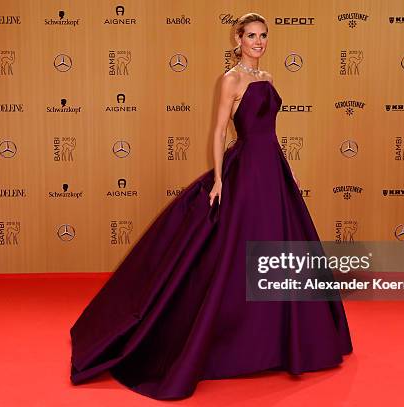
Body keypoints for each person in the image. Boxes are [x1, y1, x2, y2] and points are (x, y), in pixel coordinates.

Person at [70, 12, 353, 400]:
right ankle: (235, 339)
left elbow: (270, 131)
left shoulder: (267, 79)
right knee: (237, 253)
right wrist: (220, 179)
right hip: (247, 170)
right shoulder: (231, 80)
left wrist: (287, 170)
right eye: (251, 36)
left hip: (273, 169)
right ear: (238, 40)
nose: (258, 41)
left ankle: (283, 341)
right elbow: (220, 129)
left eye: (263, 36)